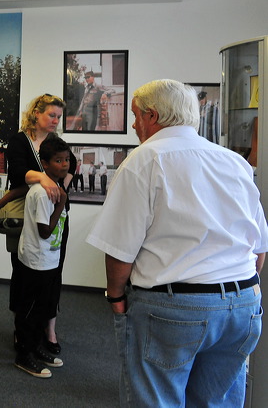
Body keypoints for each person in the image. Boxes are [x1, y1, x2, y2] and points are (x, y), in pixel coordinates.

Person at [86, 79, 268, 407]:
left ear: (151, 116)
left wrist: (114, 297)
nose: (132, 124)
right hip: (243, 306)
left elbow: (118, 250)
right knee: (218, 401)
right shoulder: (234, 162)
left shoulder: (143, 160)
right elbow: (259, 249)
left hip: (174, 309)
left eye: (135, 115)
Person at [0, 94, 74, 355]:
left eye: (58, 116)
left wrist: (58, 190)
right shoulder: (20, 141)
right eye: (51, 115)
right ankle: (22, 330)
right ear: (36, 114)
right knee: (24, 275)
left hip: (56, 216)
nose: (56, 120)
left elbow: (70, 168)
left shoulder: (57, 143)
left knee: (53, 275)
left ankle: (49, 330)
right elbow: (17, 175)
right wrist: (45, 180)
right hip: (26, 219)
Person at [13, 135, 69, 377]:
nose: (64, 165)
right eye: (58, 161)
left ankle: (36, 348)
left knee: (42, 309)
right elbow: (45, 231)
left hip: (48, 260)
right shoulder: (44, 193)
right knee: (30, 311)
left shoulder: (55, 189)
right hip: (35, 261)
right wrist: (60, 205)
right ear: (44, 165)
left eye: (66, 160)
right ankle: (24, 356)